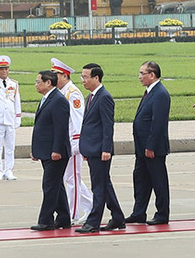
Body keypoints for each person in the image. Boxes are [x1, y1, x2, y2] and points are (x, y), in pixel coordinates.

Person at [75, 63, 125, 233]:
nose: (83, 80)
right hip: (92, 148)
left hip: (100, 150)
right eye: (82, 77)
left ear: (96, 78)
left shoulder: (104, 97)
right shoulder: (91, 97)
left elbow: (107, 125)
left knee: (99, 186)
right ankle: (118, 217)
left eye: (85, 77)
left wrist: (106, 149)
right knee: (104, 184)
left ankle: (93, 222)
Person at [126, 60, 171, 224]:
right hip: (142, 148)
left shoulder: (160, 94)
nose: (139, 77)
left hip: (153, 148)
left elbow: (157, 123)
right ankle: (139, 212)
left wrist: (151, 146)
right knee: (140, 180)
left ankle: (162, 214)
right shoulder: (150, 92)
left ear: (152, 75)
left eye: (142, 73)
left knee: (158, 182)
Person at [51, 57, 93, 224]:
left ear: (65, 75)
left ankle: (72, 214)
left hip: (72, 142)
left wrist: (76, 143)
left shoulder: (72, 93)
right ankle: (91, 204)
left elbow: (77, 119)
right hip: (64, 141)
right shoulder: (61, 92)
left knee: (72, 178)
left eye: (56, 74)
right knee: (70, 178)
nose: (54, 78)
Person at [29, 69, 71, 230]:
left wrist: (57, 150)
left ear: (48, 83)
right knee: (56, 185)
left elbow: (61, 128)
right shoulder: (47, 99)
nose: (36, 85)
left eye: (38, 82)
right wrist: (36, 149)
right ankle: (64, 218)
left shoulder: (58, 100)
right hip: (46, 150)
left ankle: (46, 220)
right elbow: (41, 127)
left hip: (56, 153)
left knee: (49, 185)